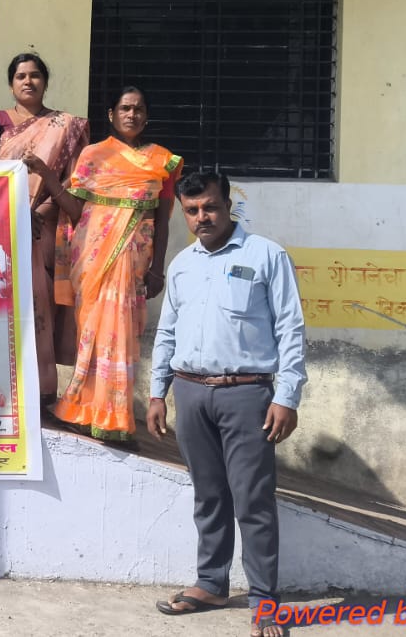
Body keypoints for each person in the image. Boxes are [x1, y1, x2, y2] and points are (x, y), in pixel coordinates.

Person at [147, 171, 307, 637]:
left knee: (253, 500)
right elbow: (167, 331)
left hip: (247, 394)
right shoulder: (182, 265)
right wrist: (157, 392)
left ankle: (264, 602)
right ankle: (211, 584)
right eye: (192, 210)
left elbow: (290, 328)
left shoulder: (266, 256)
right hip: (190, 391)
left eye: (210, 207)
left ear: (227, 204)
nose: (203, 217)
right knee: (208, 495)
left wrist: (286, 396)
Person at [31, 85, 181, 442]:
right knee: (92, 335)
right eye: (125, 108)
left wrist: (158, 268)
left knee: (123, 336)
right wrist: (47, 175)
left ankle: (115, 416)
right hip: (93, 261)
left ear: (147, 116)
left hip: (134, 261)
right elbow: (76, 210)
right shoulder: (93, 156)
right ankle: (83, 409)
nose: (132, 114)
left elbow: (162, 222)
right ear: (111, 114)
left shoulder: (162, 161)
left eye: (139, 109)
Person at [0, 52, 90, 408]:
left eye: (35, 75)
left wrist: (37, 212)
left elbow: (75, 182)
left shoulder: (67, 126)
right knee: (1, 310)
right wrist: (13, 214)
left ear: (45, 82)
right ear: (11, 84)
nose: (28, 81)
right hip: (2, 227)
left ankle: (42, 395)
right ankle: (4, 391)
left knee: (40, 309)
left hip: (44, 228)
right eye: (20, 76)